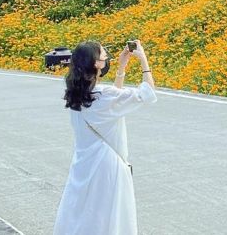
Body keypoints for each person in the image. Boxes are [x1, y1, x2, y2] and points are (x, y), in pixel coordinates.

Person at [54, 40, 158, 235]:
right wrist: (143, 60)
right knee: (110, 220)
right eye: (104, 57)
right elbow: (148, 93)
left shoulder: (77, 94)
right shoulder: (104, 95)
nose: (106, 59)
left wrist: (122, 67)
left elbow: (114, 103)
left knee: (84, 216)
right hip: (107, 166)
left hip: (83, 164)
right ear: (96, 64)